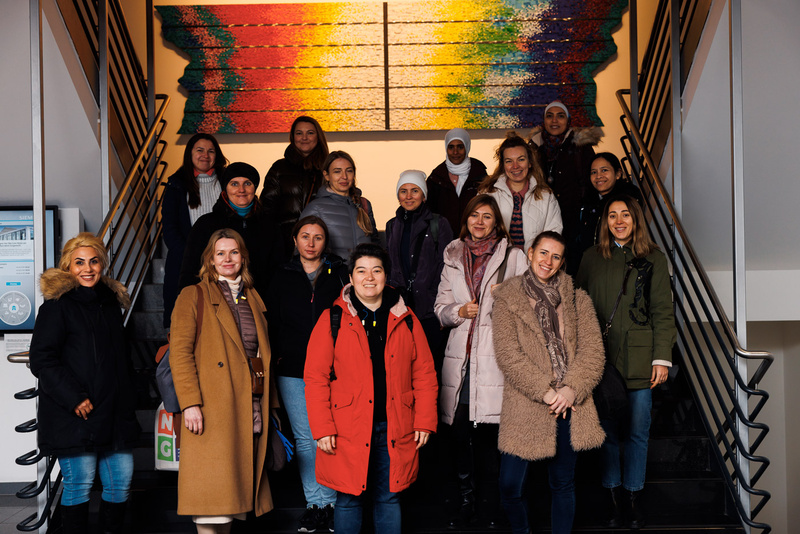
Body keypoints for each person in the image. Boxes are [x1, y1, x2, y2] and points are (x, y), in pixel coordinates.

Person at [304, 243, 438, 534]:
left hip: (395, 425)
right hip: (346, 428)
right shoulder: (333, 319)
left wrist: (425, 420)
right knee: (349, 498)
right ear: (351, 278)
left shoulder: (407, 318)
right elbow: (315, 378)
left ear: (386, 276)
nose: (369, 277)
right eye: (361, 270)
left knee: (389, 497)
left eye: (376, 270)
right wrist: (322, 428)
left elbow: (425, 374)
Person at [493, 231, 605, 534]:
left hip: (570, 404)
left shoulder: (577, 300)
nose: (548, 261)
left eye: (555, 256)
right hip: (526, 402)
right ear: (530, 253)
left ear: (562, 262)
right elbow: (508, 355)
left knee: (562, 482)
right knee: (510, 486)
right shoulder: (508, 298)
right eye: (543, 253)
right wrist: (546, 392)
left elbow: (593, 353)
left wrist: (570, 390)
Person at [576, 196, 677, 529]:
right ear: (605, 221)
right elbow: (577, 309)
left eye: (626, 215)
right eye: (613, 215)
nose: (619, 221)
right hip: (600, 362)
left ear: (636, 220)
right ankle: (613, 499)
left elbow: (663, 311)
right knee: (605, 433)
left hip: (640, 359)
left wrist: (662, 357)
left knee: (636, 433)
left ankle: (633, 500)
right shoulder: (591, 258)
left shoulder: (654, 259)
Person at [29, 232, 140, 534]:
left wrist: (129, 398)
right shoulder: (56, 306)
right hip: (76, 414)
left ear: (103, 264)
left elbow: (119, 360)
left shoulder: (110, 305)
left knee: (121, 485)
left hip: (114, 413)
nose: (87, 269)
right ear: (67, 266)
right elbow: (42, 359)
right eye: (79, 262)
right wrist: (74, 397)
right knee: (79, 486)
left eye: (94, 262)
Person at [170, 228, 278, 533]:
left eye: (233, 252)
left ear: (242, 257)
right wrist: (190, 403)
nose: (227, 259)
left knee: (232, 501)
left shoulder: (252, 296)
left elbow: (259, 353)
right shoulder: (194, 295)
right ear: (210, 260)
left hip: (248, 402)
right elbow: (179, 353)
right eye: (220, 253)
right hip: (211, 406)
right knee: (211, 504)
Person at [434, 194, 529, 527]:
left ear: (496, 223)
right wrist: (457, 311)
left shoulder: (514, 256)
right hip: (460, 356)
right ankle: (466, 498)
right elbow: (439, 309)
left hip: (495, 357)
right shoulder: (453, 256)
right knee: (458, 430)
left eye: (486, 217)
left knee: (492, 432)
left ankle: (493, 502)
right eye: (474, 215)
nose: (479, 222)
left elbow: (530, 304)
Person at [265, 216, 348, 532]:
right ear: (295, 240)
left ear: (326, 242)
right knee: (305, 439)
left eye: (317, 237)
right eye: (305, 236)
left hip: (334, 369)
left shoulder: (340, 274)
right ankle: (317, 505)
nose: (311, 243)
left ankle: (336, 505)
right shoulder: (282, 275)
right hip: (293, 369)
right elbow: (271, 322)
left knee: (331, 435)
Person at [178, 162, 283, 300]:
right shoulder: (205, 224)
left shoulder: (270, 225)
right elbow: (189, 271)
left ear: (255, 188)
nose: (241, 189)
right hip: (216, 305)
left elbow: (278, 272)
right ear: (225, 189)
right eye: (234, 184)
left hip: (261, 305)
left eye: (247, 183)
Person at [385, 169, 454, 374]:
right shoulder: (392, 225)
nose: (408, 196)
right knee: (404, 367)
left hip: (430, 309)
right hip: (400, 308)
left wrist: (440, 304)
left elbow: (447, 267)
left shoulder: (439, 224)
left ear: (423, 195)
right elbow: (389, 266)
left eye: (414, 191)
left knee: (431, 367)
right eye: (403, 191)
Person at [162, 133, 227, 328]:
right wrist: (191, 255)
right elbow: (170, 229)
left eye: (211, 151)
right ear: (190, 153)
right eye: (199, 150)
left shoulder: (227, 181)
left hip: (223, 262)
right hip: (185, 262)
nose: (205, 155)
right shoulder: (176, 184)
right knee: (187, 321)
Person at [528, 101, 601, 249]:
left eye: (560, 116)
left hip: (574, 220)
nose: (554, 120)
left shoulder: (581, 146)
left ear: (568, 121)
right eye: (550, 116)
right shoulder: (533, 147)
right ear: (544, 120)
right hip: (542, 219)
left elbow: (591, 183)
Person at [259, 116, 329, 259]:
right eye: (299, 133)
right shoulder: (279, 168)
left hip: (319, 243)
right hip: (284, 244)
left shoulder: (327, 168)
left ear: (318, 136)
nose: (304, 137)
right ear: (292, 137)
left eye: (310, 133)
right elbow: (266, 209)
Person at [481, 131, 562, 252]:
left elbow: (553, 238)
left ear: (530, 163)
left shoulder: (547, 197)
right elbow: (478, 234)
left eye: (521, 159)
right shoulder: (487, 194)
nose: (515, 166)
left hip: (534, 267)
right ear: (503, 165)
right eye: (509, 161)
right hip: (496, 267)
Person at [571, 152, 643, 273]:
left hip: (620, 267)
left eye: (604, 170)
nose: (599, 176)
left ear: (618, 174)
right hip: (592, 266)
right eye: (594, 172)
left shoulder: (628, 199)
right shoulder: (587, 202)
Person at [299, 151, 379, 259]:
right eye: (337, 172)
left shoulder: (364, 204)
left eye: (349, 171)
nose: (344, 177)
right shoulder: (315, 208)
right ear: (326, 175)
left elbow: (375, 245)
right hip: (332, 274)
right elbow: (302, 251)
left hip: (364, 274)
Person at [427, 128, 488, 232]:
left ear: (467, 147)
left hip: (475, 238)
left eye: (460, 147)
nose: (455, 152)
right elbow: (429, 213)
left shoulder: (480, 175)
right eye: (451, 147)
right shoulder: (436, 178)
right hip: (444, 239)